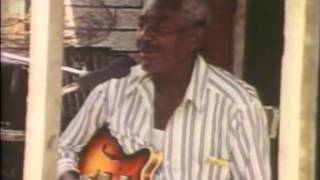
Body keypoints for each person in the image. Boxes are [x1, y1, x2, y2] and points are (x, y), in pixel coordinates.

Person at [58, 0, 271, 179]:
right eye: (141, 26)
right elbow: (63, 149)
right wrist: (67, 174)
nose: (144, 37)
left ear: (193, 38)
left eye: (161, 29)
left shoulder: (237, 106)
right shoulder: (113, 89)